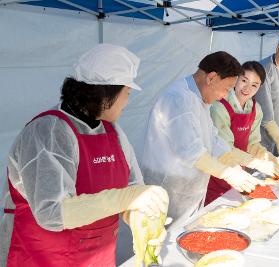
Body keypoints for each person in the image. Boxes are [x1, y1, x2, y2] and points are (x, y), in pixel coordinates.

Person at [0, 44, 169, 267]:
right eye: (126, 94)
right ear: (106, 93)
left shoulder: (114, 132)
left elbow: (133, 188)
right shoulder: (48, 131)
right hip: (43, 257)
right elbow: (52, 212)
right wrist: (125, 198)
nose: (127, 103)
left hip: (97, 257)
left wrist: (142, 220)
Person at [141, 51, 279, 223]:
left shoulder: (201, 98)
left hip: (189, 188)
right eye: (226, 89)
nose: (225, 95)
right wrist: (229, 173)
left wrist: (252, 162)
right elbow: (191, 152)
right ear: (211, 78)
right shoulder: (178, 99)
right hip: (169, 187)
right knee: (162, 240)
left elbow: (215, 141)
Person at [206, 61, 279, 205]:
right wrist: (258, 164)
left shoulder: (255, 108)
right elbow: (224, 149)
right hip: (217, 172)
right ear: (236, 79)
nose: (247, 88)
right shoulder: (219, 106)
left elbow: (252, 144)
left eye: (254, 85)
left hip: (240, 172)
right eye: (244, 81)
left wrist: (271, 159)